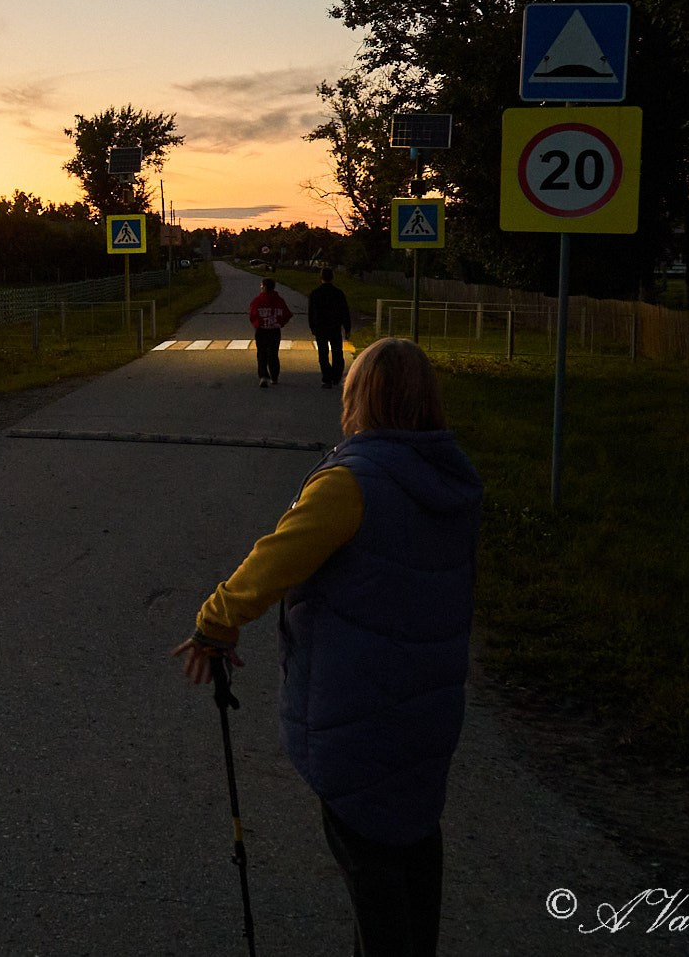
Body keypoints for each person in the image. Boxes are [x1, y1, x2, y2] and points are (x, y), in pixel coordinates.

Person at [172, 337, 483, 957]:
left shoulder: (352, 483)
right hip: (429, 709)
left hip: (358, 713)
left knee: (371, 864)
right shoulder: (453, 482)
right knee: (414, 840)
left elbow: (274, 561)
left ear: (361, 398)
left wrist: (215, 622)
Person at [307, 267, 352, 388]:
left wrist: (312, 326)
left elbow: (311, 312)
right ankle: (336, 376)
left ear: (321, 277)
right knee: (337, 352)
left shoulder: (315, 293)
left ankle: (326, 377)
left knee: (323, 353)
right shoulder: (338, 293)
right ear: (333, 277)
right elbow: (345, 311)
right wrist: (347, 328)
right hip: (334, 326)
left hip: (320, 327)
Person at [247, 277, 293, 388]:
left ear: (265, 287)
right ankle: (274, 376)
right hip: (274, 331)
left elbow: (252, 314)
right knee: (273, 353)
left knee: (261, 353)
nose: (260, 287)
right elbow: (287, 314)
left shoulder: (258, 300)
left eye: (261, 285)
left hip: (262, 330)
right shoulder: (279, 300)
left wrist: (257, 324)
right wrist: (280, 323)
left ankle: (263, 376)